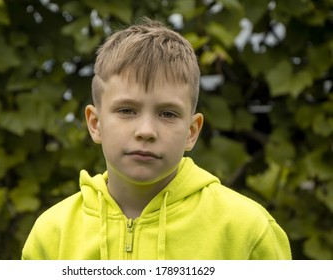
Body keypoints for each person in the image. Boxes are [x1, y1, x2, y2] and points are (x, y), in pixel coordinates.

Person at [22, 18, 291, 260]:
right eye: (127, 110)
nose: (146, 130)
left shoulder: (247, 231)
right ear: (95, 123)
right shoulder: (52, 235)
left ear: (191, 131)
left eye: (167, 114)